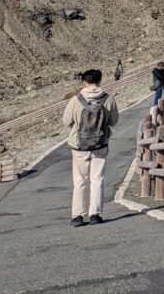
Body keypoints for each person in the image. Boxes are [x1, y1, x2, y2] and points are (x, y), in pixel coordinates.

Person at [62, 69, 118, 226]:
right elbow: (113, 121)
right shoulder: (108, 99)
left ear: (83, 82)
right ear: (100, 81)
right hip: (100, 144)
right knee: (97, 179)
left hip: (79, 145)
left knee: (80, 180)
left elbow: (66, 121)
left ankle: (77, 215)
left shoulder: (76, 99)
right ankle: (95, 214)